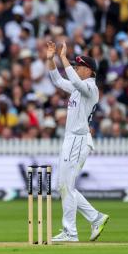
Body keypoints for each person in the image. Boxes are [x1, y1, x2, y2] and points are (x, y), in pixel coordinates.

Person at [47, 41, 109, 242]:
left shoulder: (91, 88)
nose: (74, 68)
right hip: (72, 140)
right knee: (64, 185)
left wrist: (63, 57)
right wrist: (51, 59)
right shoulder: (77, 88)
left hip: (78, 140)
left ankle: (70, 232)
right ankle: (96, 217)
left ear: (89, 71)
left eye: (78, 66)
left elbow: (72, 79)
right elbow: (57, 80)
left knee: (65, 185)